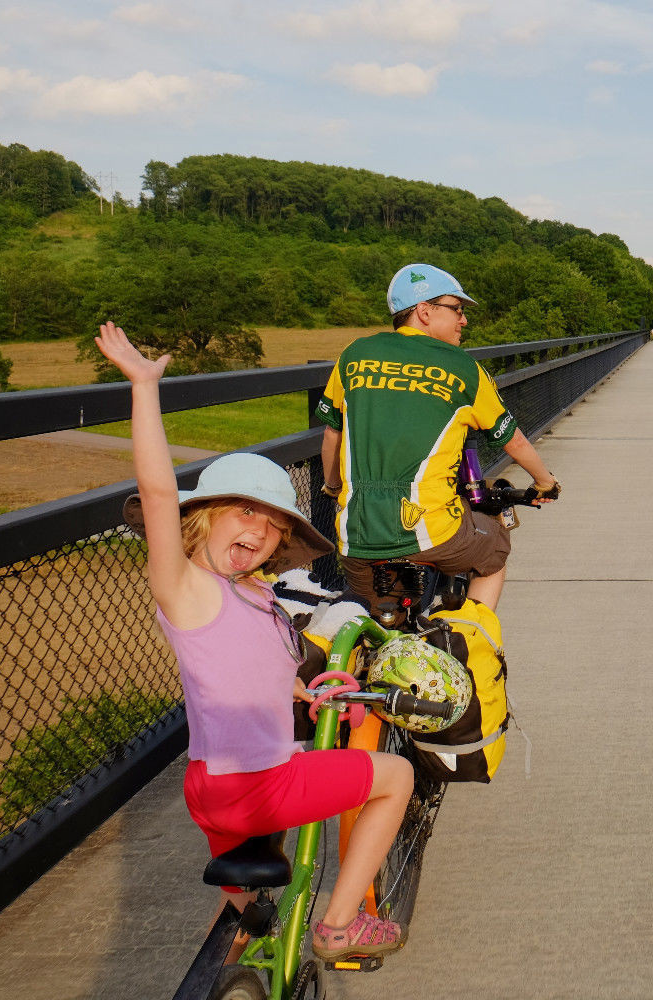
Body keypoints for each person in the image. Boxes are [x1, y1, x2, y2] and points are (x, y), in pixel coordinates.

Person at [95, 322, 414, 962]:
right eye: (244, 514)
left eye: (272, 528)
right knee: (396, 775)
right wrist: (143, 388)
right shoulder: (188, 589)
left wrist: (303, 688)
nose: (259, 533)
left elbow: (254, 668)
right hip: (257, 785)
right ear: (204, 516)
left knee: (246, 911)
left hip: (210, 790)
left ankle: (229, 960)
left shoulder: (257, 595)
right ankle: (339, 926)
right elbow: (158, 494)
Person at [315, 263, 559, 612]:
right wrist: (545, 481)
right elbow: (514, 441)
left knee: (378, 623)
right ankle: (471, 640)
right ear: (424, 311)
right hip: (431, 531)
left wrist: (334, 489)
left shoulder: (355, 355)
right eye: (457, 310)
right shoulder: (463, 368)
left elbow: (331, 433)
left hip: (357, 534)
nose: (464, 320)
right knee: (495, 548)